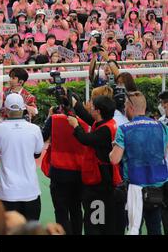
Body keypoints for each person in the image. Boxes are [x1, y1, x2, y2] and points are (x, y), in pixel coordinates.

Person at [110, 91, 168, 235]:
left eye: (124, 106)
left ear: (130, 107)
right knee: (155, 227)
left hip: (134, 188)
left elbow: (114, 159)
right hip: (157, 187)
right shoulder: (162, 127)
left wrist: (113, 149)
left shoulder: (124, 129)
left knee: (134, 228)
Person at [67, 96, 119, 235]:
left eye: (92, 106)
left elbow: (85, 139)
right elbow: (87, 117)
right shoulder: (107, 122)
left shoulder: (104, 130)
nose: (89, 107)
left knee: (96, 220)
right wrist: (74, 102)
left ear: (98, 111)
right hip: (103, 178)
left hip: (100, 182)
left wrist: (75, 126)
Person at [0, 93, 44, 221]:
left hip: (8, 193)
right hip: (30, 190)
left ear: (6, 110)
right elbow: (37, 152)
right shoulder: (34, 129)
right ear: (23, 108)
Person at [41, 89, 86, 235]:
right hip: (79, 173)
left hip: (59, 172)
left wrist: (49, 117)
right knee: (76, 209)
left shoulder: (54, 119)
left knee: (61, 211)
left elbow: (42, 137)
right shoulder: (84, 122)